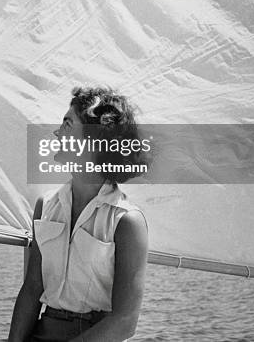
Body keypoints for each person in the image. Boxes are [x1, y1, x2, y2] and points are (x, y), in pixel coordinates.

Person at [9, 87, 150, 342]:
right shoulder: (46, 206)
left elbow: (125, 322)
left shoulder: (127, 221)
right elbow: (31, 290)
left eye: (67, 124)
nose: (57, 133)